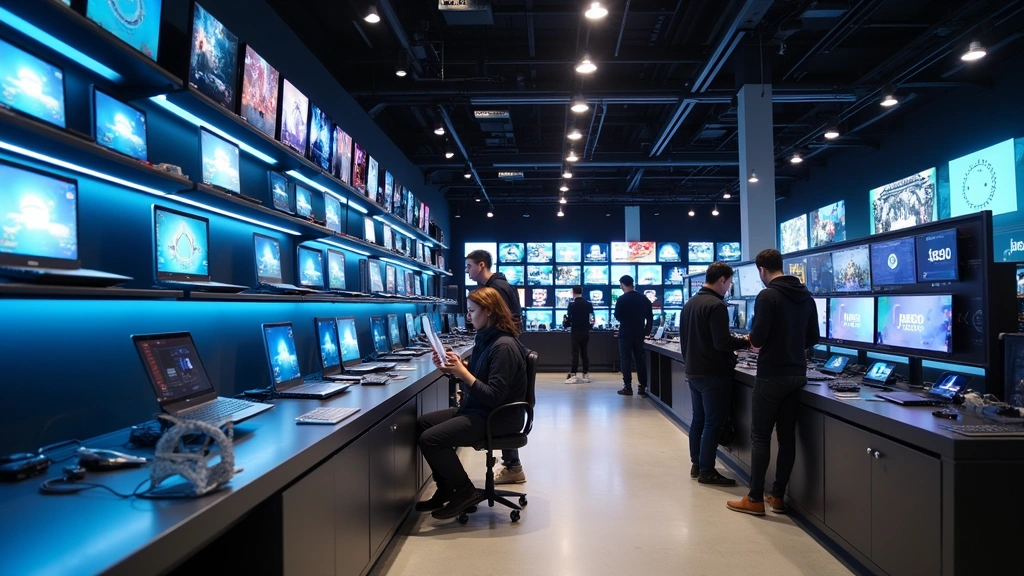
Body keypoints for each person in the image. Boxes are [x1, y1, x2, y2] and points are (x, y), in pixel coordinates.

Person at [416, 287, 528, 520]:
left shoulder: (503, 347)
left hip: (497, 417)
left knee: (431, 439)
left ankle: (465, 491)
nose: (468, 316)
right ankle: (447, 488)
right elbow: (478, 379)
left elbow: (494, 395)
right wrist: (454, 369)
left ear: (488, 312)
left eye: (472, 310)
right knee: (423, 424)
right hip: (481, 409)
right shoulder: (487, 339)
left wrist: (463, 374)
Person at [727, 249, 820, 516]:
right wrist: (791, 347)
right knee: (787, 436)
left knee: (760, 436)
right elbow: (813, 337)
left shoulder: (768, 296)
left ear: (761, 270)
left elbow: (756, 337)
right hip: (797, 373)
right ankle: (777, 496)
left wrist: (767, 345)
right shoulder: (806, 296)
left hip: (771, 374)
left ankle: (755, 498)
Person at [679, 262, 750, 486]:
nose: (729, 287)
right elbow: (722, 342)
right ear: (722, 279)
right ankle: (708, 471)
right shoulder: (716, 306)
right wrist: (747, 342)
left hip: (693, 371)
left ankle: (697, 464)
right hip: (713, 374)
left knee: (698, 420)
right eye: (729, 283)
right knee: (713, 423)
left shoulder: (691, 302)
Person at [465, 249, 527, 484]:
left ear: (481, 265)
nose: (468, 271)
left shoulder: (496, 289)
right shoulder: (502, 285)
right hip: (504, 346)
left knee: (499, 397)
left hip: (501, 349)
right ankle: (513, 465)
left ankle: (513, 466)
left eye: (469, 266)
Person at [613, 275, 653, 397]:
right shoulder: (643, 299)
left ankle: (628, 387)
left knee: (625, 360)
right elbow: (650, 317)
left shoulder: (621, 299)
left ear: (622, 284)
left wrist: (625, 321)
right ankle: (642, 387)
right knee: (640, 360)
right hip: (639, 334)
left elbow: (617, 315)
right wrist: (646, 332)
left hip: (625, 333)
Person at [564, 285, 594, 384]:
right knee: (584, 353)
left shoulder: (572, 305)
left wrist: (565, 323)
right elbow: (592, 319)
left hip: (575, 331)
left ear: (573, 292)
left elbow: (568, 320)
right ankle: (585, 374)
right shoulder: (588, 304)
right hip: (585, 331)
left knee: (575, 354)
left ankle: (573, 375)